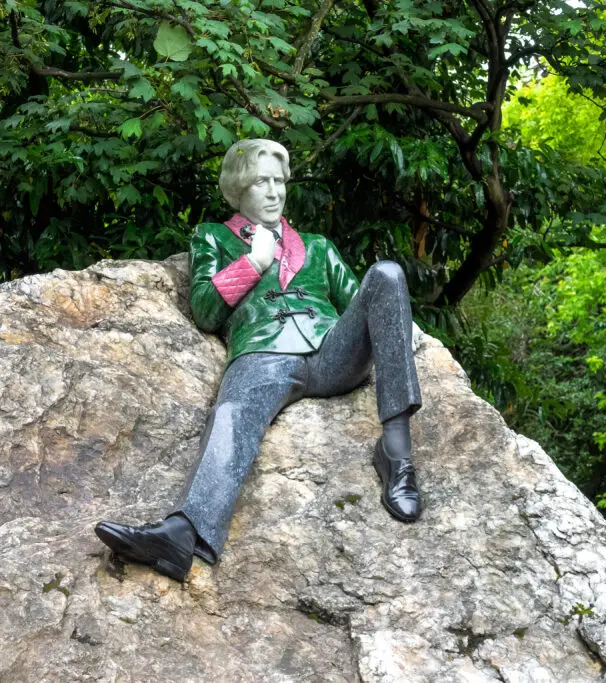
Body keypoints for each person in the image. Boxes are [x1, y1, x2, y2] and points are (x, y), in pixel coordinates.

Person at [95, 139, 422, 581]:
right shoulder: (212, 237)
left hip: (332, 352)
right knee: (232, 414)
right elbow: (207, 312)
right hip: (263, 354)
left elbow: (365, 306)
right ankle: (182, 534)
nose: (273, 192)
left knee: (387, 273)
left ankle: (397, 456)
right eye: (259, 182)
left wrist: (396, 328)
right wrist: (252, 262)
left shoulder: (319, 246)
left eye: (278, 181)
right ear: (237, 190)